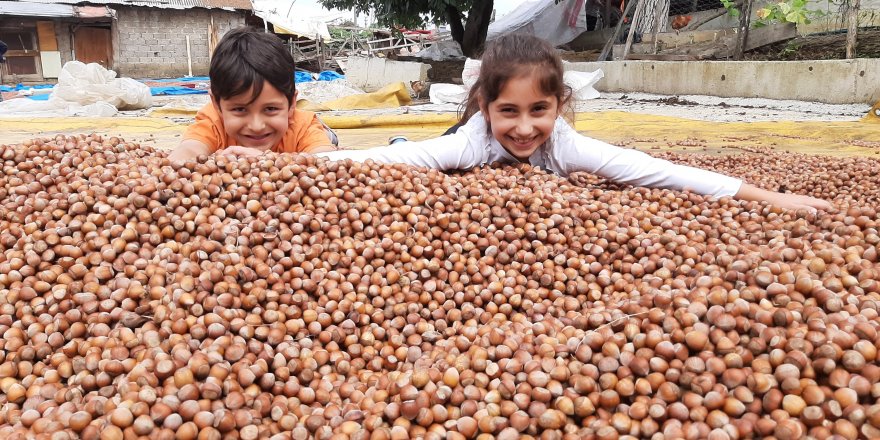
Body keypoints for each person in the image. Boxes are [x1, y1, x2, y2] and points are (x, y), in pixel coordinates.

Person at [319, 34, 831, 213]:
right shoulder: (469, 143)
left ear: (559, 105)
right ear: (484, 106)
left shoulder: (565, 147)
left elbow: (652, 169)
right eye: (508, 111)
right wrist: (290, 166)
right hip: (455, 140)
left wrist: (770, 198)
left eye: (538, 110)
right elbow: (380, 160)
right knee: (426, 156)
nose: (523, 128)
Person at [169, 27, 336, 164]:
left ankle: (328, 134)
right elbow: (187, 151)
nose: (257, 126)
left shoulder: (303, 127)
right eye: (240, 109)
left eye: (270, 109)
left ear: (292, 103)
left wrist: (265, 161)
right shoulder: (213, 122)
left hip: (303, 128)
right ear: (217, 105)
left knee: (326, 140)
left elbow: (328, 161)